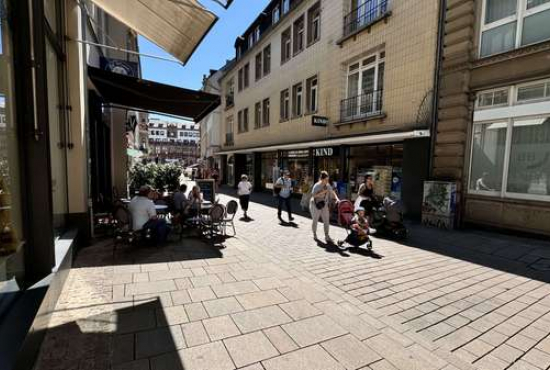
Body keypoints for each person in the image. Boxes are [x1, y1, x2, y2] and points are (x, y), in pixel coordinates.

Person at [310, 171, 340, 243]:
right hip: (315, 204)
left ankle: (327, 236)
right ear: (321, 179)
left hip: (324, 204)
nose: (327, 181)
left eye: (328, 179)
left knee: (326, 220)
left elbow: (332, 192)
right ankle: (314, 234)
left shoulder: (328, 185)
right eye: (326, 179)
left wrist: (337, 198)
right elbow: (313, 195)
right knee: (315, 220)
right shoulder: (317, 185)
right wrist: (323, 192)